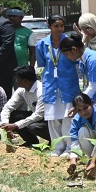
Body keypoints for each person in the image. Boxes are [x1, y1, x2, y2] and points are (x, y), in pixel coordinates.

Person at [35, 15, 77, 156]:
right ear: (49, 26)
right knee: (52, 118)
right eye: (56, 26)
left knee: (68, 116)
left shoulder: (69, 42)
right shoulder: (42, 44)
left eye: (61, 26)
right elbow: (42, 64)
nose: (59, 29)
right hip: (51, 85)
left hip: (68, 84)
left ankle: (69, 147)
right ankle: (58, 147)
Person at [0, 65, 49, 147]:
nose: (16, 81)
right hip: (37, 117)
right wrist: (5, 124)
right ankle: (31, 142)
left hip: (48, 120)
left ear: (25, 81)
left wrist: (15, 125)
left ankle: (53, 140)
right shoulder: (22, 90)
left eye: (17, 79)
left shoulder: (41, 91)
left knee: (34, 127)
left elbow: (39, 115)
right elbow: (8, 107)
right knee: (14, 115)